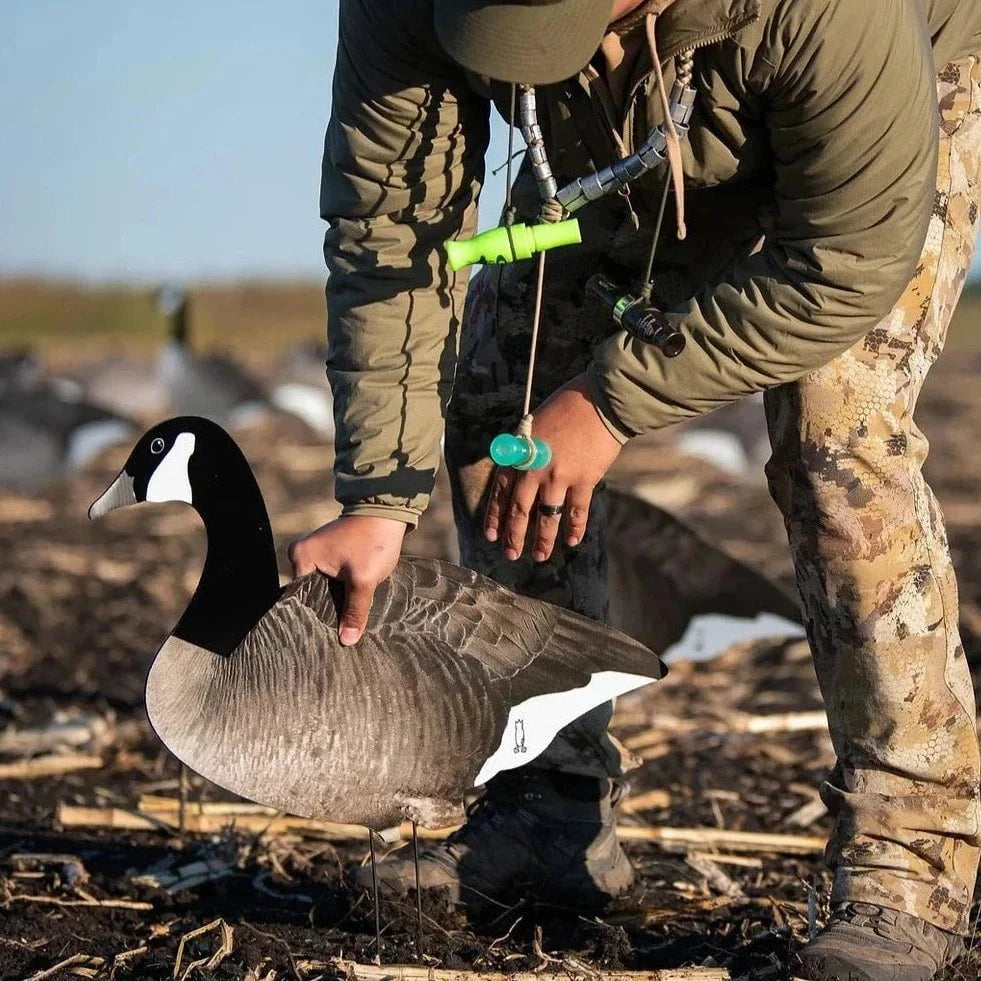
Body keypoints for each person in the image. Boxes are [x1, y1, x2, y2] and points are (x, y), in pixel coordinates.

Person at [289, 1, 981, 977]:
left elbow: (845, 261)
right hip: (608, 127)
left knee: (836, 441)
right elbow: (391, 225)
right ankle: (549, 803)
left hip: (880, 94)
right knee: (500, 397)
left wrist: (608, 403)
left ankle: (908, 862)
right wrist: (378, 493)